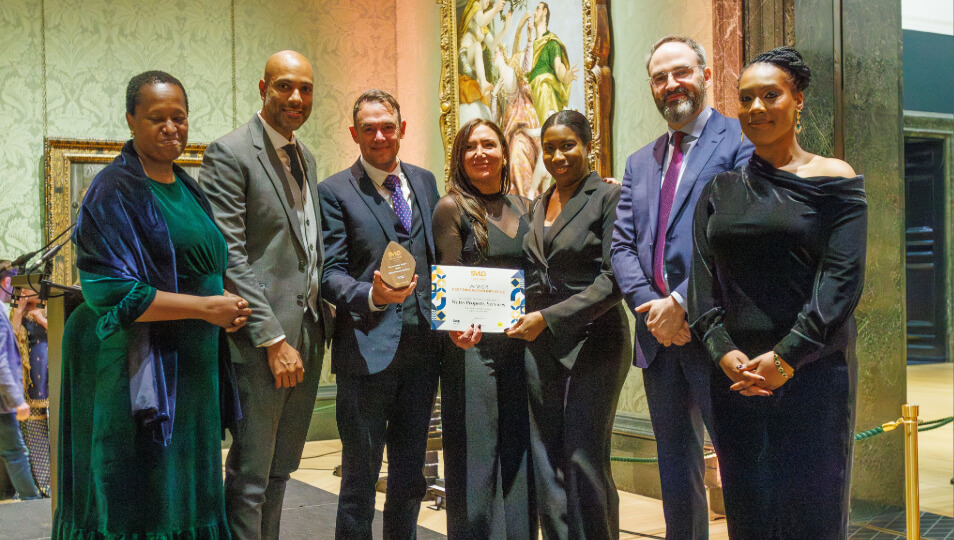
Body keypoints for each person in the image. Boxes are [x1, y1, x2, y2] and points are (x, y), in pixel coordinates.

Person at [53, 71, 250, 538]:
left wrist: (222, 308)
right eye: (156, 118)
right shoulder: (113, 188)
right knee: (142, 494)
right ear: (130, 120)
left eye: (179, 118)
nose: (171, 128)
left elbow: (205, 269)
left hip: (193, 365)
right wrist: (206, 309)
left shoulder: (186, 184)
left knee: (187, 493)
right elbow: (109, 292)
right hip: (136, 369)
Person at [688, 46, 867, 539]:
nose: (757, 108)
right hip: (738, 378)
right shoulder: (719, 189)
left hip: (814, 374)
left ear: (798, 101)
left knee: (813, 514)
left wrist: (786, 358)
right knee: (749, 514)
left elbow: (841, 284)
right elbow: (701, 288)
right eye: (746, 99)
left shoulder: (836, 179)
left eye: (771, 95)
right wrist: (724, 353)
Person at [609, 34, 753, 539]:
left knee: (740, 464)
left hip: (719, 332)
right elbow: (621, 247)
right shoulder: (639, 162)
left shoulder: (738, 142)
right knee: (675, 468)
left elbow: (740, 238)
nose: (671, 85)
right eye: (659, 77)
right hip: (658, 337)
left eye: (681, 72)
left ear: (706, 75)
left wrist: (682, 302)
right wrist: (653, 308)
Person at [199, 50, 327, 540]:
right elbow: (229, 254)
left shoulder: (306, 156)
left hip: (310, 335)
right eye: (285, 86)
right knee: (251, 476)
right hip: (263, 343)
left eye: (306, 89)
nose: (296, 98)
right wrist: (273, 340)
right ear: (262, 88)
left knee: (280, 472)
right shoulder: (230, 153)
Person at [318, 89, 441, 539]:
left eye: (387, 126)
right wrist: (372, 297)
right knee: (359, 482)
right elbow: (328, 272)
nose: (379, 136)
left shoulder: (425, 182)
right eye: (368, 128)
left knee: (410, 479)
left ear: (402, 129)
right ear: (354, 134)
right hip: (365, 353)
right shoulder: (334, 191)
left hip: (423, 353)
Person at [506, 110, 630, 539]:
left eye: (568, 145)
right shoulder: (539, 202)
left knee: (584, 457)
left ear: (588, 145)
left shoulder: (609, 197)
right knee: (547, 458)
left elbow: (614, 281)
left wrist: (547, 318)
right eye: (550, 147)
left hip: (595, 342)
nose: (557, 155)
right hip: (540, 346)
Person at [432, 119, 535, 539]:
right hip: (471, 350)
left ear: (504, 153)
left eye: (489, 144)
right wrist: (456, 326)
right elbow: (449, 276)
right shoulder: (451, 208)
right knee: (476, 456)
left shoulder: (527, 207)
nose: (480, 152)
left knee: (519, 452)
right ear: (460, 157)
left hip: (523, 346)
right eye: (470, 146)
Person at [0, 261, 41, 502]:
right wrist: (17, 400)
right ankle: (32, 503)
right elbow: (1, 362)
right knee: (15, 452)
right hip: (3, 401)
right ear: (7, 282)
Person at [527, 2, 578, 125]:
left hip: (544, 95)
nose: (534, 13)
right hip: (530, 97)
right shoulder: (531, 46)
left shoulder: (551, 43)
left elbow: (558, 67)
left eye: (538, 9)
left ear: (545, 12)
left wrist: (565, 77)